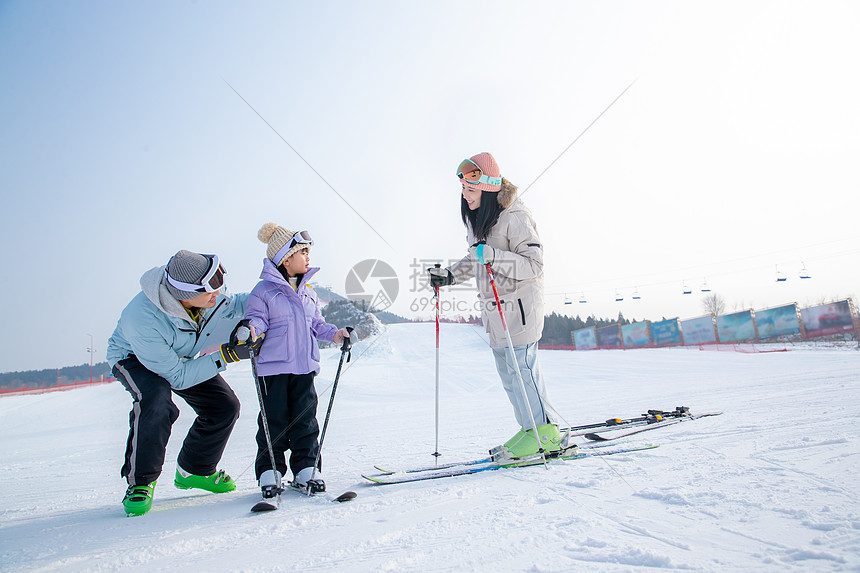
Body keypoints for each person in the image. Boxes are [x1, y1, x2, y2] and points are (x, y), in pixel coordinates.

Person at [428, 152, 562, 459]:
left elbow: (534, 265)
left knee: (524, 372)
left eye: (471, 190)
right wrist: (448, 276)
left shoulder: (515, 216)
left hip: (519, 311)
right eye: (463, 189)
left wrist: (493, 257)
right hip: (497, 315)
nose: (466, 196)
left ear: (488, 189)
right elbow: (477, 256)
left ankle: (546, 434)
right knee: (510, 376)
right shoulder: (483, 220)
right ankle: (531, 429)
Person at [107, 250, 262, 516]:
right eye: (211, 292)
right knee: (155, 399)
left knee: (224, 406)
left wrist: (271, 301)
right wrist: (227, 354)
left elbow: (237, 304)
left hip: (178, 355)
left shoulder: (204, 297)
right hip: (134, 357)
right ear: (185, 295)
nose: (218, 295)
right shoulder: (142, 318)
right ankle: (141, 482)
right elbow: (176, 376)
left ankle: (194, 470)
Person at [244, 223, 351, 499]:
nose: (308, 256)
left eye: (308, 251)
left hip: (304, 368)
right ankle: (271, 471)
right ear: (285, 258)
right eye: (302, 251)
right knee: (273, 421)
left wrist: (336, 334)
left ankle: (306, 468)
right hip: (273, 370)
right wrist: (250, 329)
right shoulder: (263, 292)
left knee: (305, 421)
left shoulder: (309, 293)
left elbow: (317, 324)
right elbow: (257, 318)